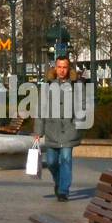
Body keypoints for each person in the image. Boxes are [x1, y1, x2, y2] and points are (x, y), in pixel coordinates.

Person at [33, 55, 82, 202]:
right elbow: (41, 109)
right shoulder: (47, 85)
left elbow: (84, 105)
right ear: (55, 68)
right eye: (59, 67)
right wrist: (38, 131)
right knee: (52, 162)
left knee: (66, 159)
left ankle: (63, 191)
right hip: (51, 130)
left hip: (69, 130)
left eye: (65, 67)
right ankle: (59, 181)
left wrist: (78, 122)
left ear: (69, 68)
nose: (62, 70)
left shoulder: (76, 85)